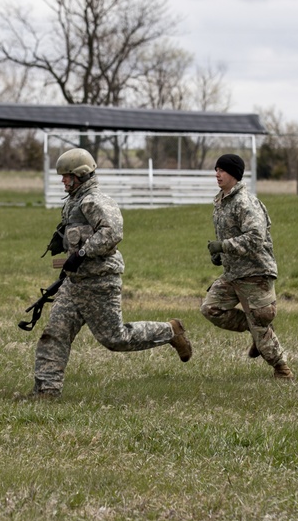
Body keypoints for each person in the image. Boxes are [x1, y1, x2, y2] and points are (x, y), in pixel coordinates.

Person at [21, 148, 193, 399]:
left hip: (99, 282)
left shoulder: (94, 201)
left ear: (80, 175)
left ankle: (170, 331)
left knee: (116, 338)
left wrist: (81, 254)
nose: (62, 181)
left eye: (66, 176)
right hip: (75, 283)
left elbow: (113, 233)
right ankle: (47, 391)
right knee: (55, 334)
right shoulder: (75, 201)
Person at [201, 154, 293, 380]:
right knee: (211, 308)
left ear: (234, 174)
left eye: (222, 170)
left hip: (255, 273)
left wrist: (223, 245)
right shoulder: (222, 201)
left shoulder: (245, 202)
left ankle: (282, 370)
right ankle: (255, 330)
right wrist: (220, 255)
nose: (217, 173)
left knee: (260, 321)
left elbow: (255, 238)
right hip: (233, 273)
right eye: (216, 169)